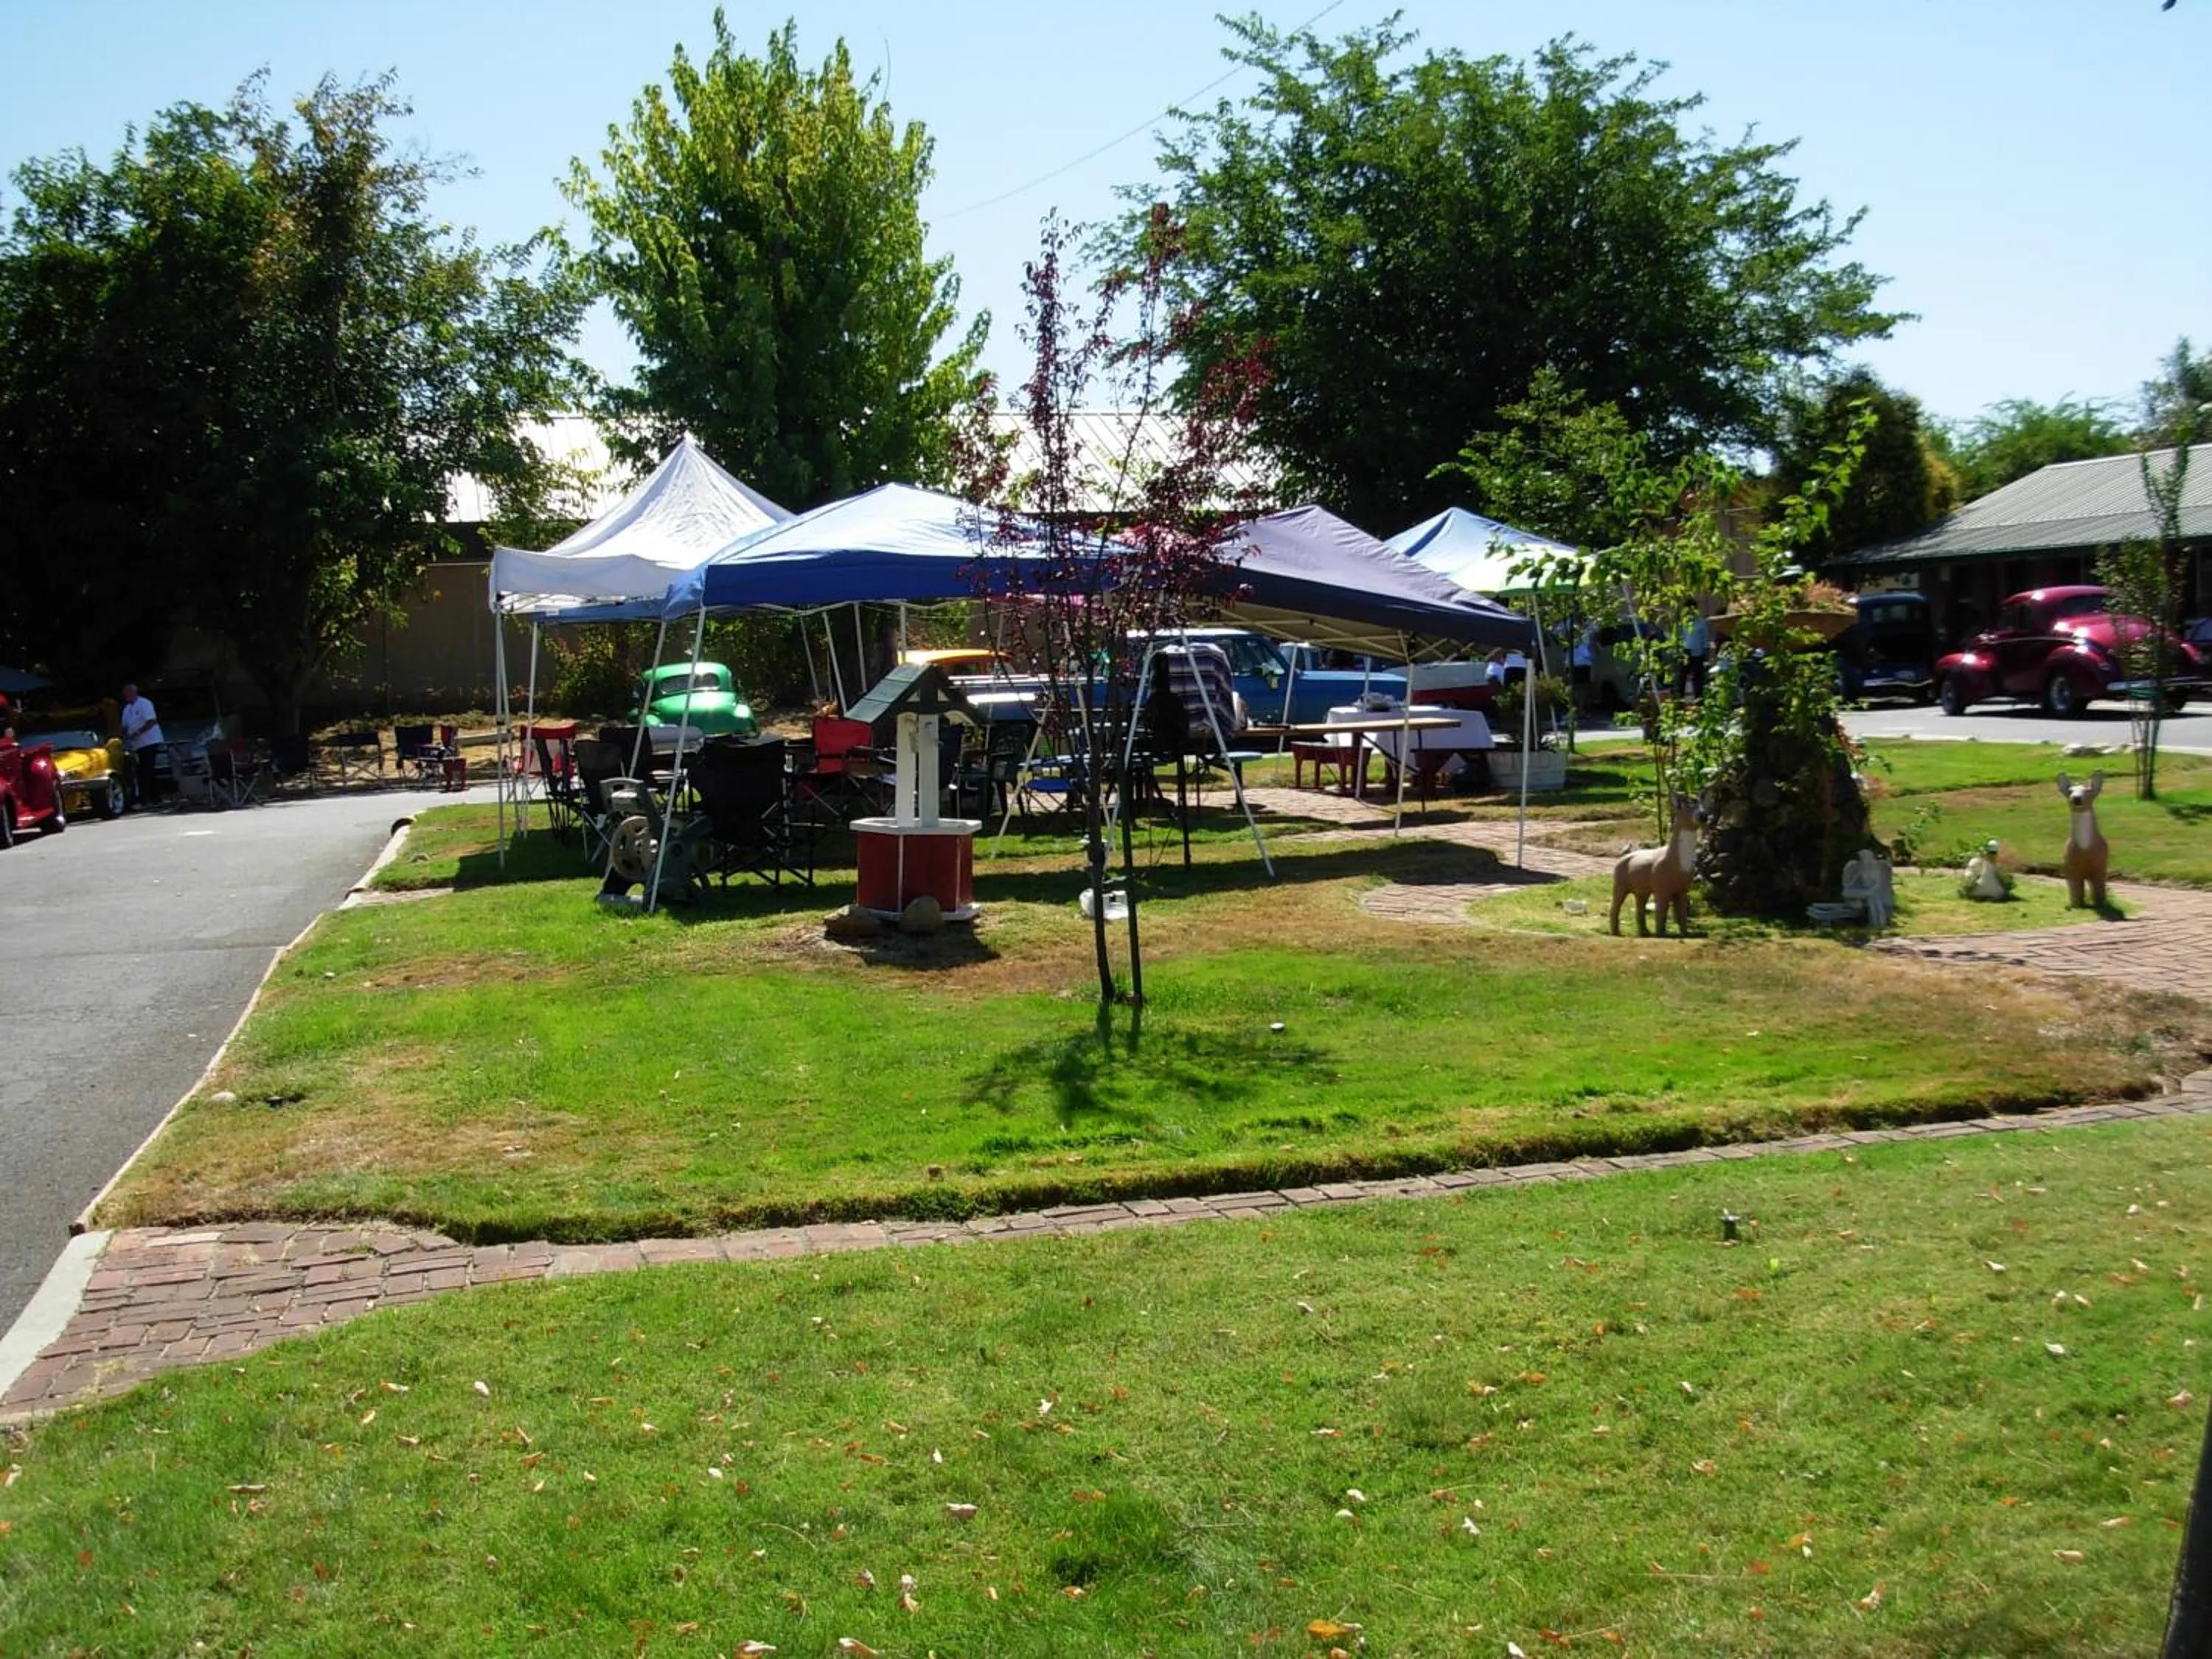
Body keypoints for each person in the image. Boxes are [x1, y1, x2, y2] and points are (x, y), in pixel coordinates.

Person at [118, 681, 166, 808]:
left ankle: (153, 798)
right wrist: (124, 737)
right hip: (137, 744)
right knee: (141, 770)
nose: (125, 696)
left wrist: (138, 733)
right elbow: (124, 726)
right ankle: (147, 798)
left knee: (148, 768)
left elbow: (151, 721)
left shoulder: (144, 703)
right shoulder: (127, 709)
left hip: (150, 741)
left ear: (133, 692)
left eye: (127, 693)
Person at [1680, 611, 1712, 699]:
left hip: (1698, 652)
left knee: (1698, 676)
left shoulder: (1701, 622)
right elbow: (1682, 636)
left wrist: (1706, 650)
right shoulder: (1684, 622)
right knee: (1683, 675)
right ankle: (1681, 696)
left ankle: (1699, 696)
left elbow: (1706, 638)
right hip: (1686, 651)